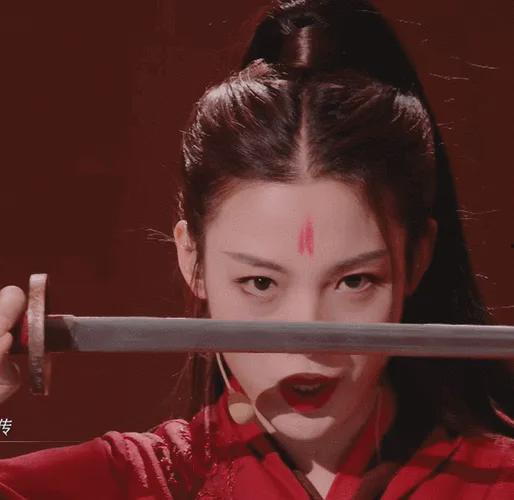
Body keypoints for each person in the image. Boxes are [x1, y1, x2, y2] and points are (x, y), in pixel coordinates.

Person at [0, 0, 513, 498]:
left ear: (417, 257)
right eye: (260, 282)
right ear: (192, 259)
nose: (308, 339)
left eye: (354, 281)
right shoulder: (128, 485)